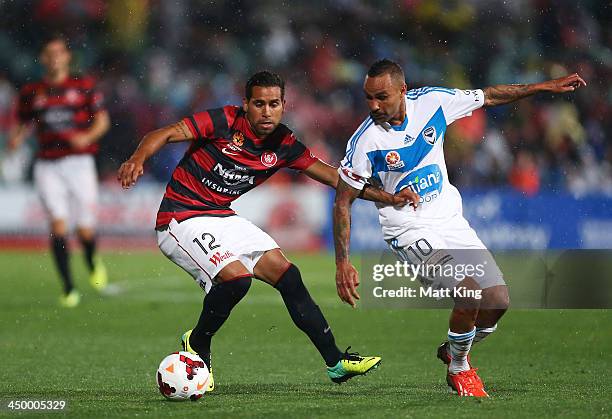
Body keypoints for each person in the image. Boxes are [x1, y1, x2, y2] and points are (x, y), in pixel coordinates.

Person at [117, 70, 419, 391]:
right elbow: (164, 133)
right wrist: (137, 159)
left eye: (273, 104)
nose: (266, 111)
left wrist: (389, 197)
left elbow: (335, 178)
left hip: (220, 216)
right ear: (245, 104)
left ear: (283, 105)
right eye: (259, 103)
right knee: (237, 279)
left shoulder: (284, 143)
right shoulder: (224, 121)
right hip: (179, 218)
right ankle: (198, 343)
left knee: (288, 275)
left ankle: (335, 362)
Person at [333, 59, 586, 397]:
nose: (374, 106)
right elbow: (342, 201)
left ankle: (453, 350)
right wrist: (342, 263)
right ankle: (459, 368)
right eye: (368, 98)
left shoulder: (434, 102)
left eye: (382, 97)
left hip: (449, 219)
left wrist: (542, 87)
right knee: (468, 292)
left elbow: (490, 96)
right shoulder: (365, 141)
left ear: (402, 91)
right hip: (408, 229)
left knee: (497, 300)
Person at [8, 35, 111, 307]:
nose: (54, 58)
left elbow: (102, 121)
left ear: (67, 57)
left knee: (85, 230)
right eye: (49, 53)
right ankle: (68, 288)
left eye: (58, 53)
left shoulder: (84, 85)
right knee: (58, 225)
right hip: (48, 164)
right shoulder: (32, 91)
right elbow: (22, 121)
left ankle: (91, 260)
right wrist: (16, 137)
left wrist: (87, 137)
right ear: (43, 59)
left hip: (79, 163)